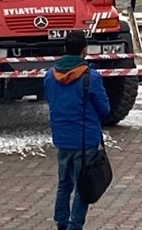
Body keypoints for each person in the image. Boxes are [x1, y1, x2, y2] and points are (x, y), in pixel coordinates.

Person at [44, 31, 111, 230]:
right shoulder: (90, 77)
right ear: (85, 50)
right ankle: (75, 226)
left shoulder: (49, 75)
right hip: (85, 141)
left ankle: (61, 223)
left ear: (65, 49)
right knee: (83, 187)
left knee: (64, 185)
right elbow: (105, 109)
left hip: (62, 139)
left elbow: (51, 100)